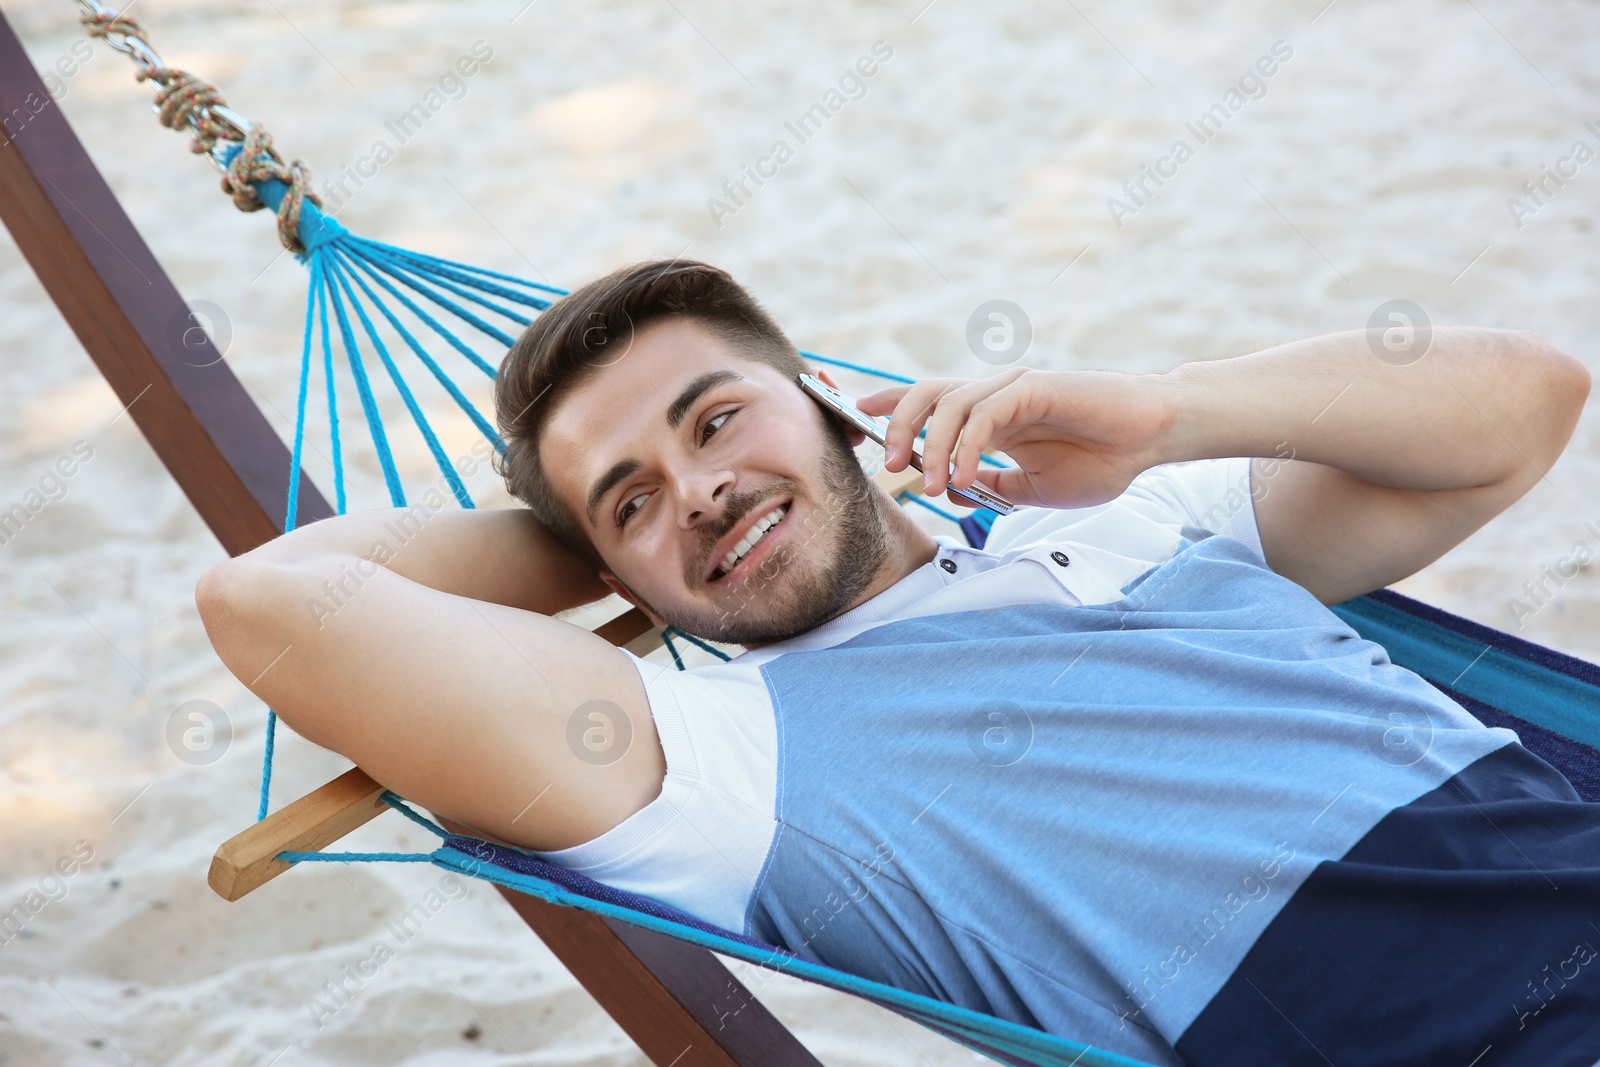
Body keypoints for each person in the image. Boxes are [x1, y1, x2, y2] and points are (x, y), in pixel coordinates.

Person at [196, 259, 1600, 1066]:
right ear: (603, 576)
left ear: (827, 398)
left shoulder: (1130, 513)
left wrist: (1170, 415)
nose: (693, 490)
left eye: (716, 420)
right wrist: (590, 540)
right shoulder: (724, 772)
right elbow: (275, 602)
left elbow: (1527, 402)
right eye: (631, 498)